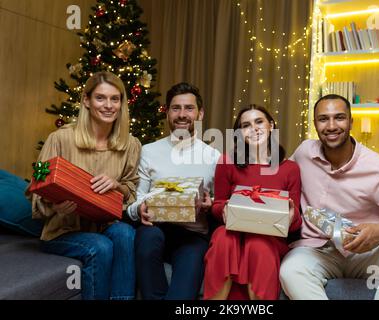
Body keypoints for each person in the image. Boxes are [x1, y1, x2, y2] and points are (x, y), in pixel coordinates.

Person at [280, 94, 379, 300]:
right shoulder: (304, 152)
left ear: (351, 122)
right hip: (318, 250)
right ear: (315, 124)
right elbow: (281, 181)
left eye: (339, 117)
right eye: (323, 119)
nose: (332, 125)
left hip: (368, 252)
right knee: (291, 270)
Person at [27, 71, 141, 300]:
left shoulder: (130, 144)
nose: (108, 105)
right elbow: (36, 186)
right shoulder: (60, 138)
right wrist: (54, 207)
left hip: (104, 222)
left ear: (121, 103)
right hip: (63, 230)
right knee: (100, 247)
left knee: (125, 233)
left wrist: (117, 185)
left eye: (115, 99)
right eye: (100, 98)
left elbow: (131, 187)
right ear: (87, 101)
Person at [128, 82, 221, 300]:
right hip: (155, 229)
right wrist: (138, 209)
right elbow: (135, 202)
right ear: (167, 112)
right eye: (175, 108)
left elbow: (221, 203)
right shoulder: (148, 151)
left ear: (200, 114)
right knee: (148, 238)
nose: (182, 114)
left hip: (193, 235)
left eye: (189, 108)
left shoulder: (214, 156)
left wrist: (211, 204)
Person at [203, 104, 302, 300]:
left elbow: (296, 216)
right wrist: (223, 209)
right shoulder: (227, 162)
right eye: (246, 125)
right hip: (234, 233)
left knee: (258, 243)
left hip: (270, 238)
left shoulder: (290, 168)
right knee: (223, 236)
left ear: (271, 125)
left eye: (259, 122)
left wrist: (292, 216)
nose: (254, 128)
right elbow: (217, 204)